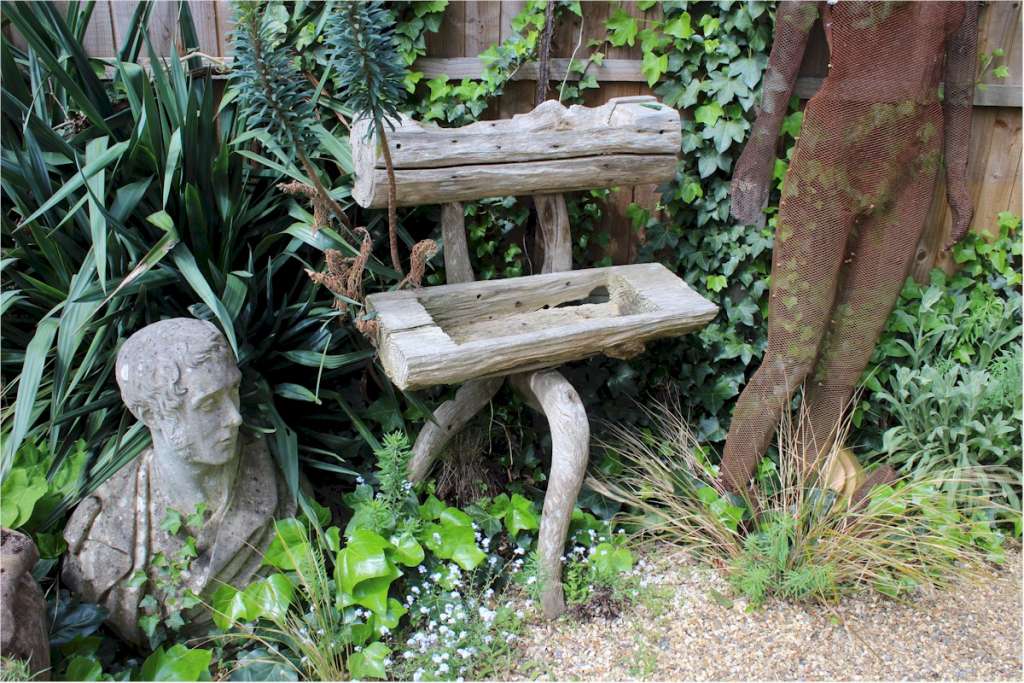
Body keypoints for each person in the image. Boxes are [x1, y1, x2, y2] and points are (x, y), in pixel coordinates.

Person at [721, 1, 978, 496]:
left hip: (913, 167)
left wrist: (958, 179)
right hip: (831, 159)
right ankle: (727, 496)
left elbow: (961, 77)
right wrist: (759, 149)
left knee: (846, 360)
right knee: (791, 355)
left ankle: (807, 490)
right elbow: (787, 48)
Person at [63, 319, 294, 645]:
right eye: (209, 404)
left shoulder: (279, 484)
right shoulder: (105, 532)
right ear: (150, 415)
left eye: (233, 391)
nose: (235, 417)